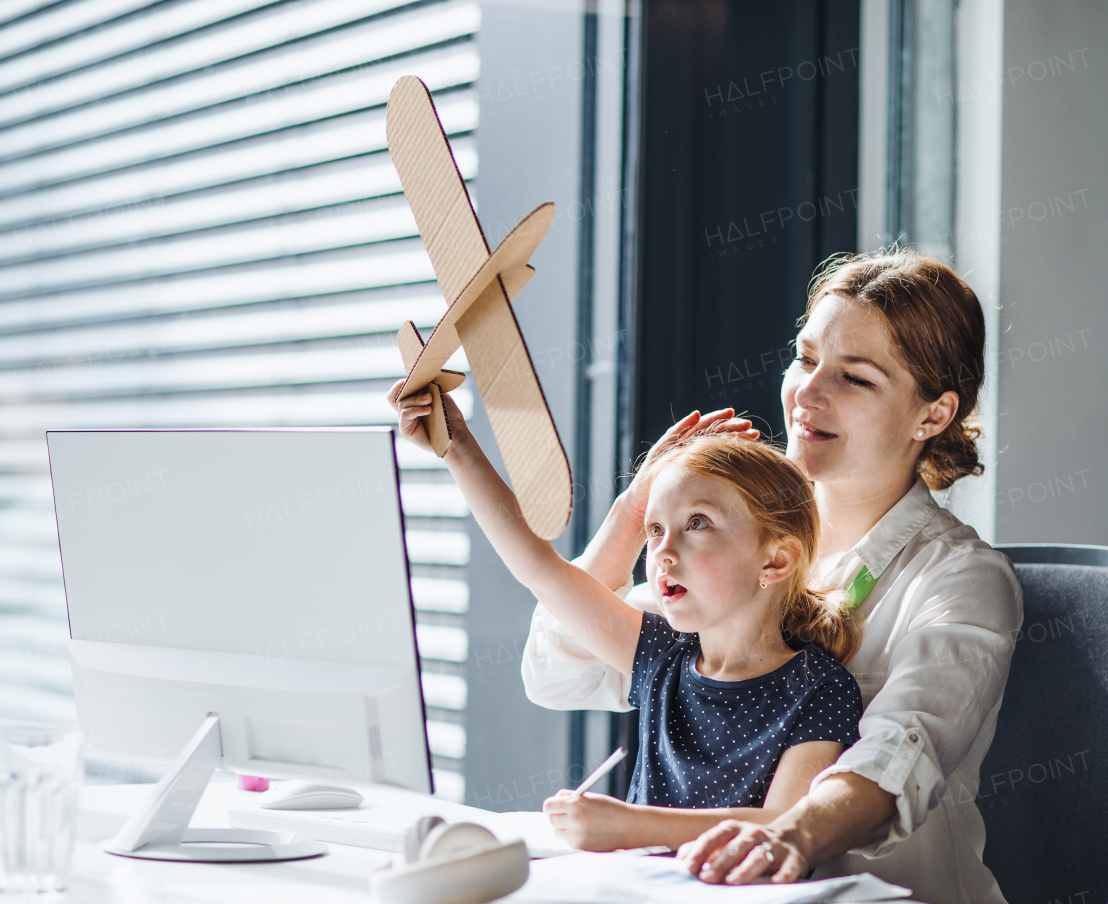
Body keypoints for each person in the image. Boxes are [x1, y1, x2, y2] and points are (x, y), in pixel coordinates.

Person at [521, 250, 1022, 904]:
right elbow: (556, 672)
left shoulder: (962, 581)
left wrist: (791, 835)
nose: (808, 395)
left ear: (933, 415)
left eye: (856, 379)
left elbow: (893, 760)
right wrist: (632, 513)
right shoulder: (738, 542)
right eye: (807, 359)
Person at [389, 376, 866, 847]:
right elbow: (540, 567)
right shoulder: (663, 655)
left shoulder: (820, 688)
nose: (662, 550)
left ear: (776, 560)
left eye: (696, 523)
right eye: (654, 529)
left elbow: (784, 821)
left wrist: (630, 828)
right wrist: (456, 444)